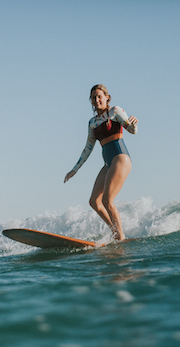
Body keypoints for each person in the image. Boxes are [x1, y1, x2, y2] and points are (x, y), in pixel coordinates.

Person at [64, 84, 138, 241]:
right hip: (108, 163)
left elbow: (132, 131)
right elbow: (88, 149)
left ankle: (120, 236)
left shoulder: (115, 111)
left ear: (107, 97)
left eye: (99, 96)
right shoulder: (92, 123)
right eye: (93, 97)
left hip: (120, 157)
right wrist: (74, 170)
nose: (96, 100)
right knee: (94, 202)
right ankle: (115, 231)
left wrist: (134, 124)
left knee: (107, 200)